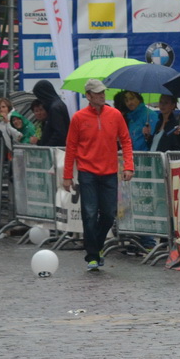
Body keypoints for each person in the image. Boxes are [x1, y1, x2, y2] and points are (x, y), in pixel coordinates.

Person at [61, 78, 133, 272]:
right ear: (89, 96)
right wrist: (67, 175)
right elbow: (71, 147)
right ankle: (92, 255)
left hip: (109, 172)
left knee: (109, 215)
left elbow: (125, 141)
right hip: (87, 172)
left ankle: (96, 247)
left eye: (103, 92)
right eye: (98, 93)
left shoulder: (115, 115)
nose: (103, 95)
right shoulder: (78, 118)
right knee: (90, 214)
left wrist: (129, 166)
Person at [31, 80, 69, 149]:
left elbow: (59, 133)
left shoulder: (55, 108)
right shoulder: (56, 105)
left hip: (55, 151)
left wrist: (47, 147)